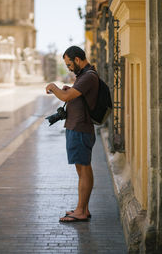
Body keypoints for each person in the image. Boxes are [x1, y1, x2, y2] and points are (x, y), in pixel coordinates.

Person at [45, 46, 99, 222]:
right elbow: (76, 95)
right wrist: (70, 89)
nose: (68, 68)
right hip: (77, 127)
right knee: (82, 168)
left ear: (77, 59)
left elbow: (65, 98)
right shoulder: (84, 76)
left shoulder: (88, 76)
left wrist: (53, 87)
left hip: (80, 128)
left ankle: (81, 211)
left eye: (69, 64)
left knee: (84, 168)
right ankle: (83, 208)